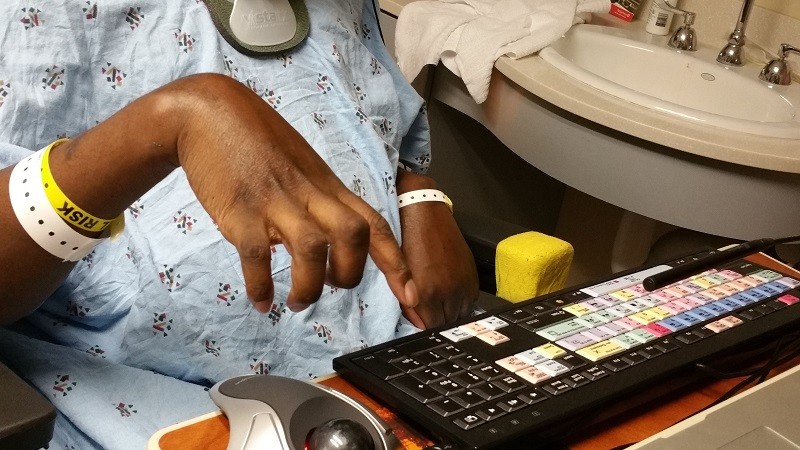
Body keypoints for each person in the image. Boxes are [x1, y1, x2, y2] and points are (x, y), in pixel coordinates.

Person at [0, 1, 479, 448]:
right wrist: (170, 120)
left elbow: (367, 118)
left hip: (391, 372)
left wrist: (419, 192)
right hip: (164, 410)